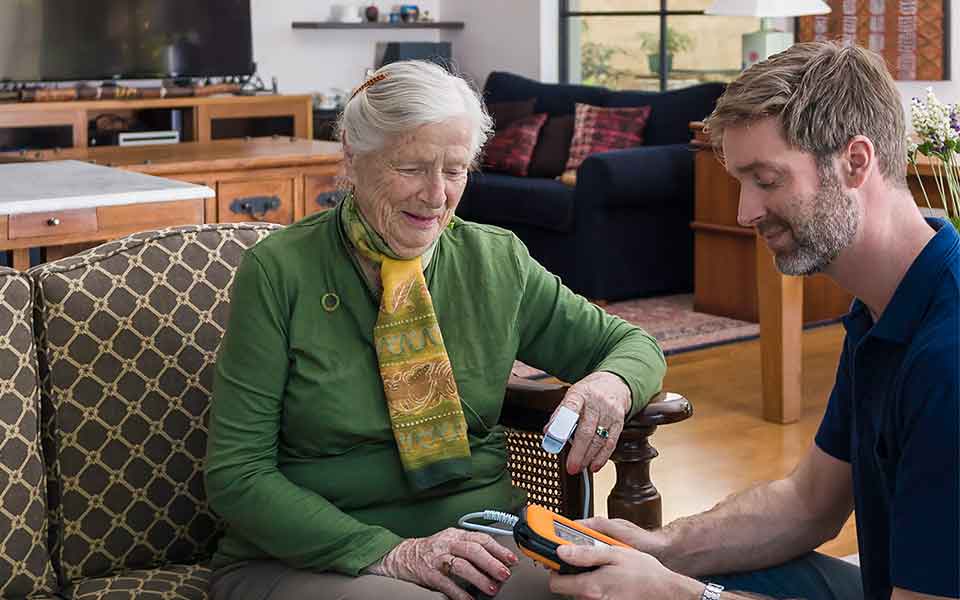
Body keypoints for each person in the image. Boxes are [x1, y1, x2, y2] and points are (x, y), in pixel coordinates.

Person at [203, 60, 666, 600]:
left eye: (455, 170)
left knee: (633, 592)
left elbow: (634, 344)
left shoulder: (495, 261)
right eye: (413, 168)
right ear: (352, 156)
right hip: (316, 555)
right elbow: (237, 476)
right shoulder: (279, 271)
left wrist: (613, 383)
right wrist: (392, 553)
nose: (437, 195)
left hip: (481, 540)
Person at [548, 42, 959, 600]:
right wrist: (658, 551)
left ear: (855, 163)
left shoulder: (947, 358)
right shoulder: (884, 309)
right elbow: (808, 504)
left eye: (766, 179)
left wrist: (674, 594)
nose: (745, 212)